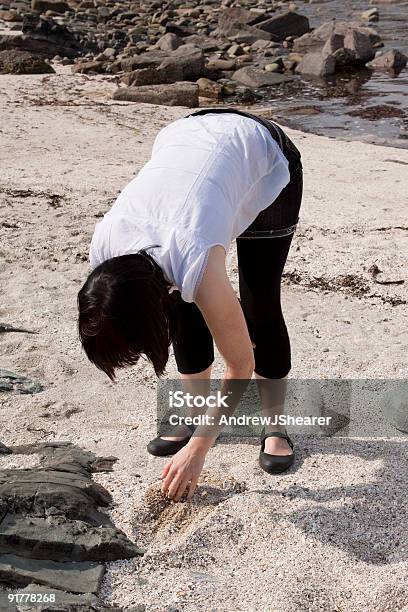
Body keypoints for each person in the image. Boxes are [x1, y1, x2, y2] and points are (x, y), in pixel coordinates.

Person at [77, 109, 303, 502]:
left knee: (259, 303)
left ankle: (274, 424)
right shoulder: (106, 251)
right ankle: (194, 413)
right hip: (189, 140)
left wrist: (198, 451)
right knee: (184, 307)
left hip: (263, 153)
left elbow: (240, 364)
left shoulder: (193, 255)